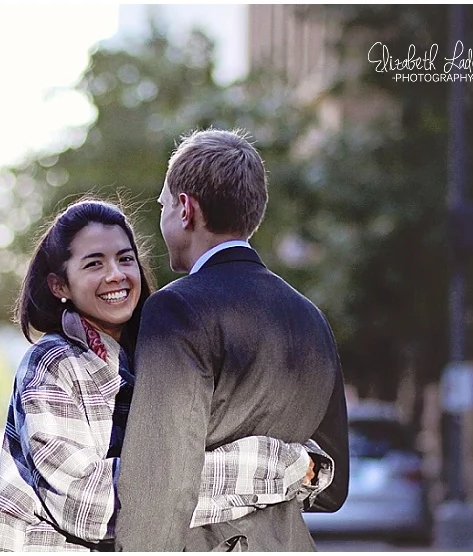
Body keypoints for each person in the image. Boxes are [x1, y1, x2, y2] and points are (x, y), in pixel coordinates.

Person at [0, 199, 334, 552]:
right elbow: (92, 506)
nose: (116, 274)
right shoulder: (53, 365)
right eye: (94, 263)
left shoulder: (158, 351)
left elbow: (169, 480)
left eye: (125, 259)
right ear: (59, 285)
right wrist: (280, 465)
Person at [113, 129, 349, 551]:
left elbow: (160, 482)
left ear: (185, 209)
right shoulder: (311, 318)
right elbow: (332, 486)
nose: (163, 217)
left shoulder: (176, 309)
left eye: (164, 205)